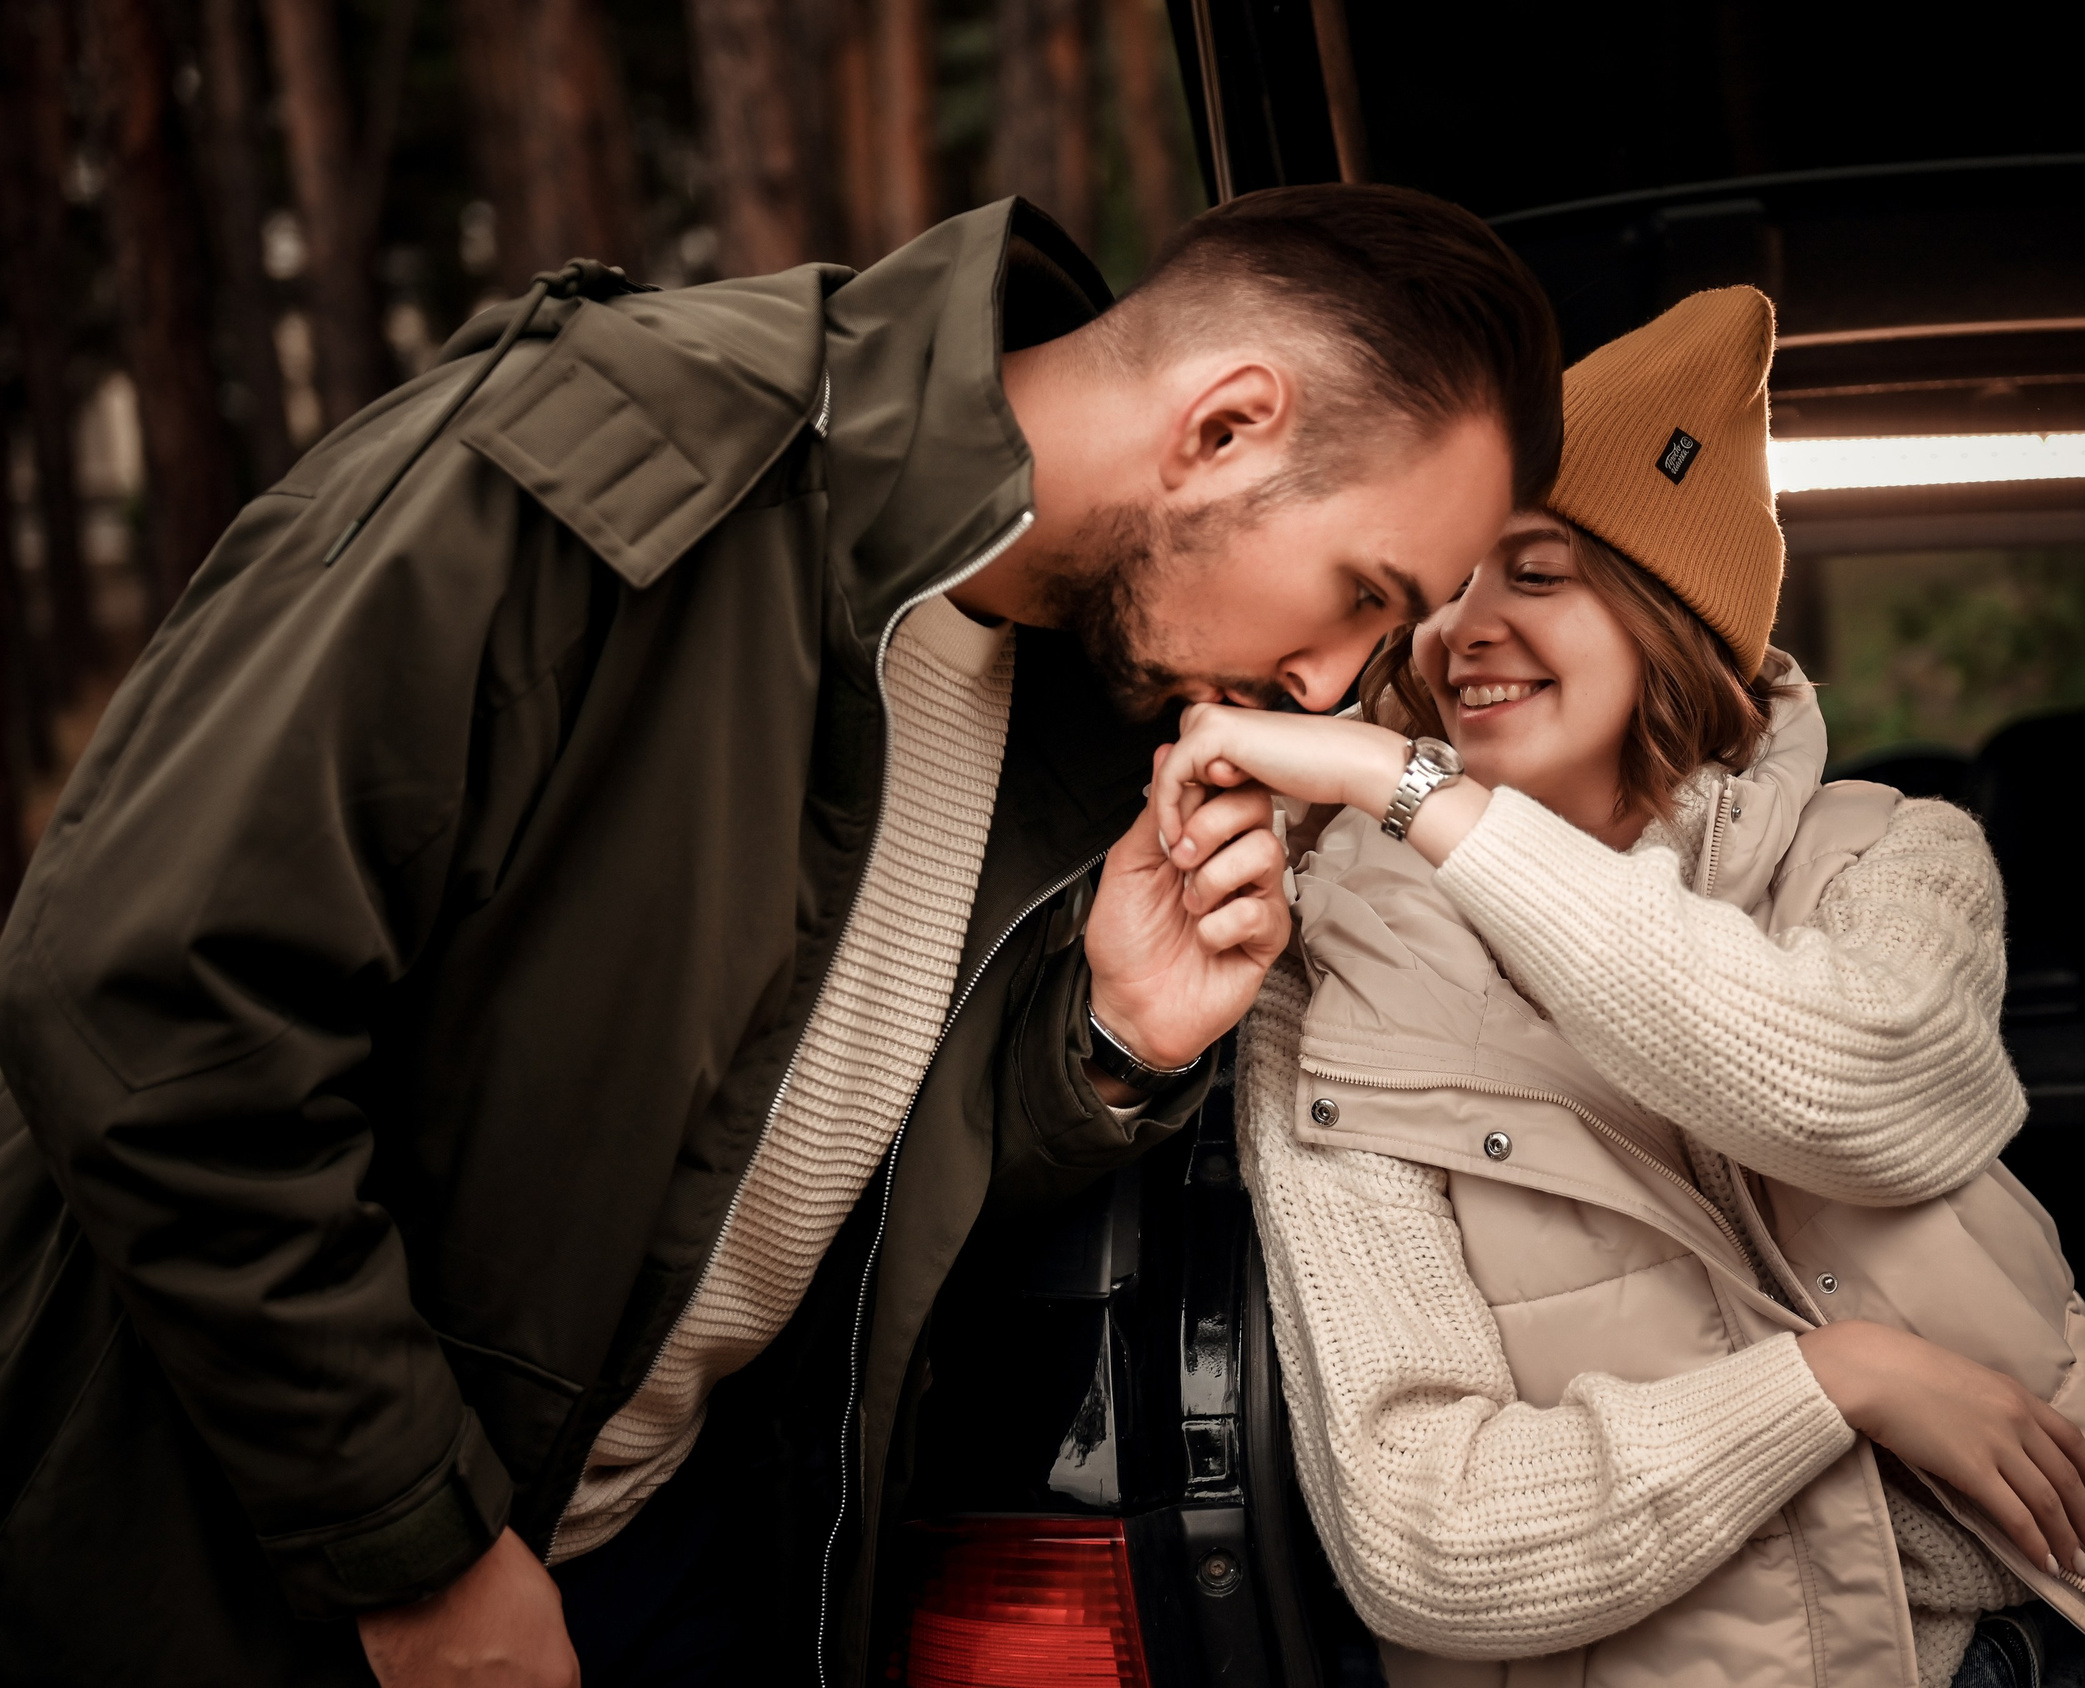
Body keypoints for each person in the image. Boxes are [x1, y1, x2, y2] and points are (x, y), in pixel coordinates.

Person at [0, 188, 1560, 1686]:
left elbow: (794, 1173)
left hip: (656, 1566)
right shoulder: (625, 446)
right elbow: (148, 1002)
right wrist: (420, 1559)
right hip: (246, 1578)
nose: (1334, 687)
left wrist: (1100, 1044)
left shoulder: (1087, 709)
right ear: (1226, 425)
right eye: (1364, 593)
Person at [1150, 290, 2085, 1687]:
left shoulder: (1895, 855)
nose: (1463, 630)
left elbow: (1850, 1089)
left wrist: (1424, 798)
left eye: (1539, 572)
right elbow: (1426, 1537)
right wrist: (1833, 1381)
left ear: (1670, 614)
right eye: (1444, 580)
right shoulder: (1324, 990)